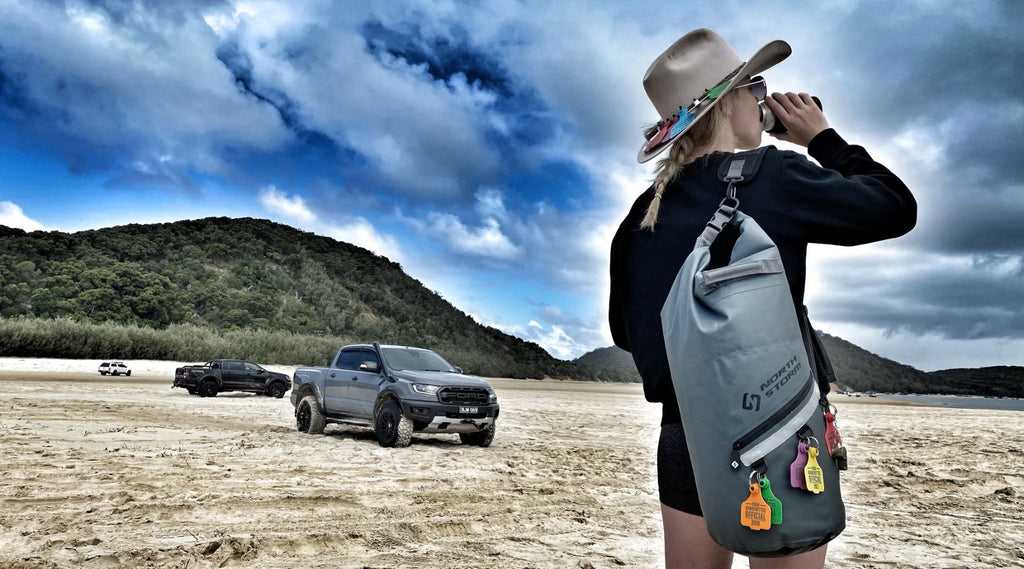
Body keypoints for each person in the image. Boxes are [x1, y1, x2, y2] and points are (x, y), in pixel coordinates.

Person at [608, 29, 916, 569]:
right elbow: (894, 207)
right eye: (758, 87)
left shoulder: (640, 215)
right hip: (778, 430)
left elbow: (625, 332)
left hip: (685, 432)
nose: (763, 99)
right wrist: (823, 138)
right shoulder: (772, 175)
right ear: (731, 99)